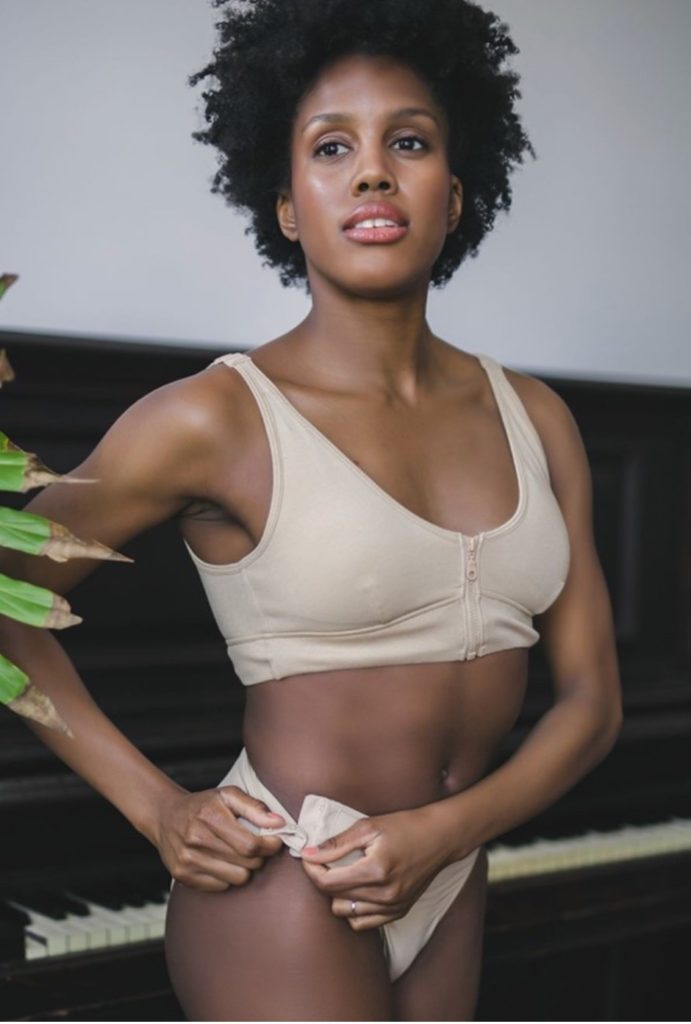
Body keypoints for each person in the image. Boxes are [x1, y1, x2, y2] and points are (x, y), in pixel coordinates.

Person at [0, 0, 623, 1020]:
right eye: (331, 147)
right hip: (287, 883)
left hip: (449, 869)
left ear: (455, 194)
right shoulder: (210, 418)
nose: (373, 171)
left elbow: (592, 702)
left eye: (408, 142)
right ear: (286, 204)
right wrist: (158, 807)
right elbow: (4, 598)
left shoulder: (537, 418)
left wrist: (447, 832)